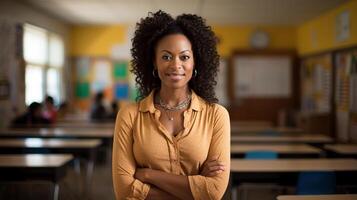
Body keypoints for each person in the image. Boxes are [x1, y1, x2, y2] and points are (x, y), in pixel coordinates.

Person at [112, 11, 230, 200]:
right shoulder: (129, 115)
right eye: (166, 57)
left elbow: (214, 191)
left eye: (184, 57)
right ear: (154, 62)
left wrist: (148, 175)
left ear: (195, 61)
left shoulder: (216, 115)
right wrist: (196, 185)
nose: (176, 65)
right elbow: (124, 190)